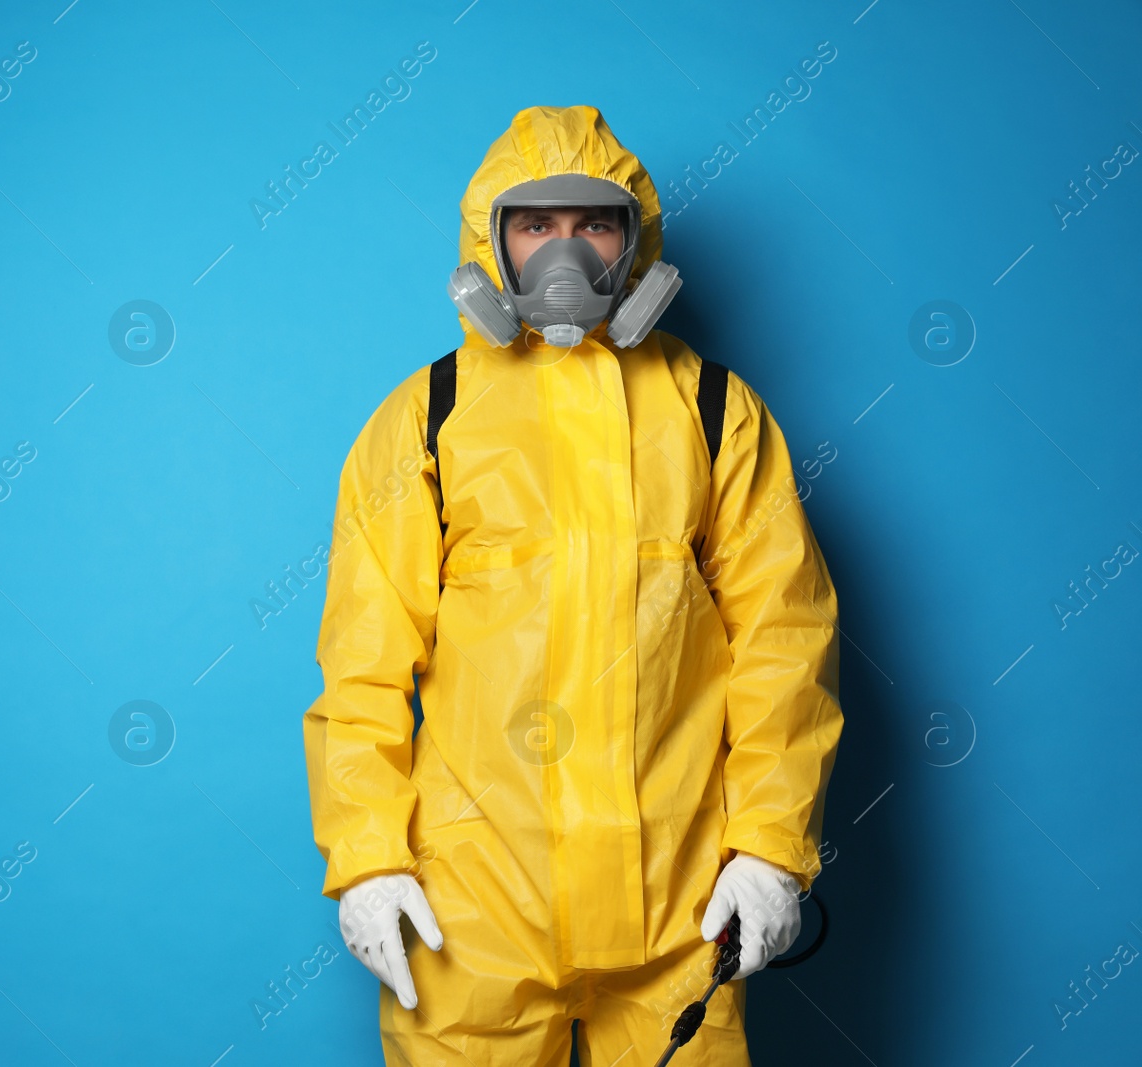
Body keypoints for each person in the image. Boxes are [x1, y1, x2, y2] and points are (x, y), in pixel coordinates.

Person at [301, 104, 843, 1066]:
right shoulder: (429, 418)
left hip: (682, 907)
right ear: (491, 242)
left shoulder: (716, 413)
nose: (565, 252)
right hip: (471, 918)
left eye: (594, 224)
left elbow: (785, 643)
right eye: (534, 224)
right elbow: (364, 664)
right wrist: (370, 860)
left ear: (636, 242)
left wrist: (767, 847)